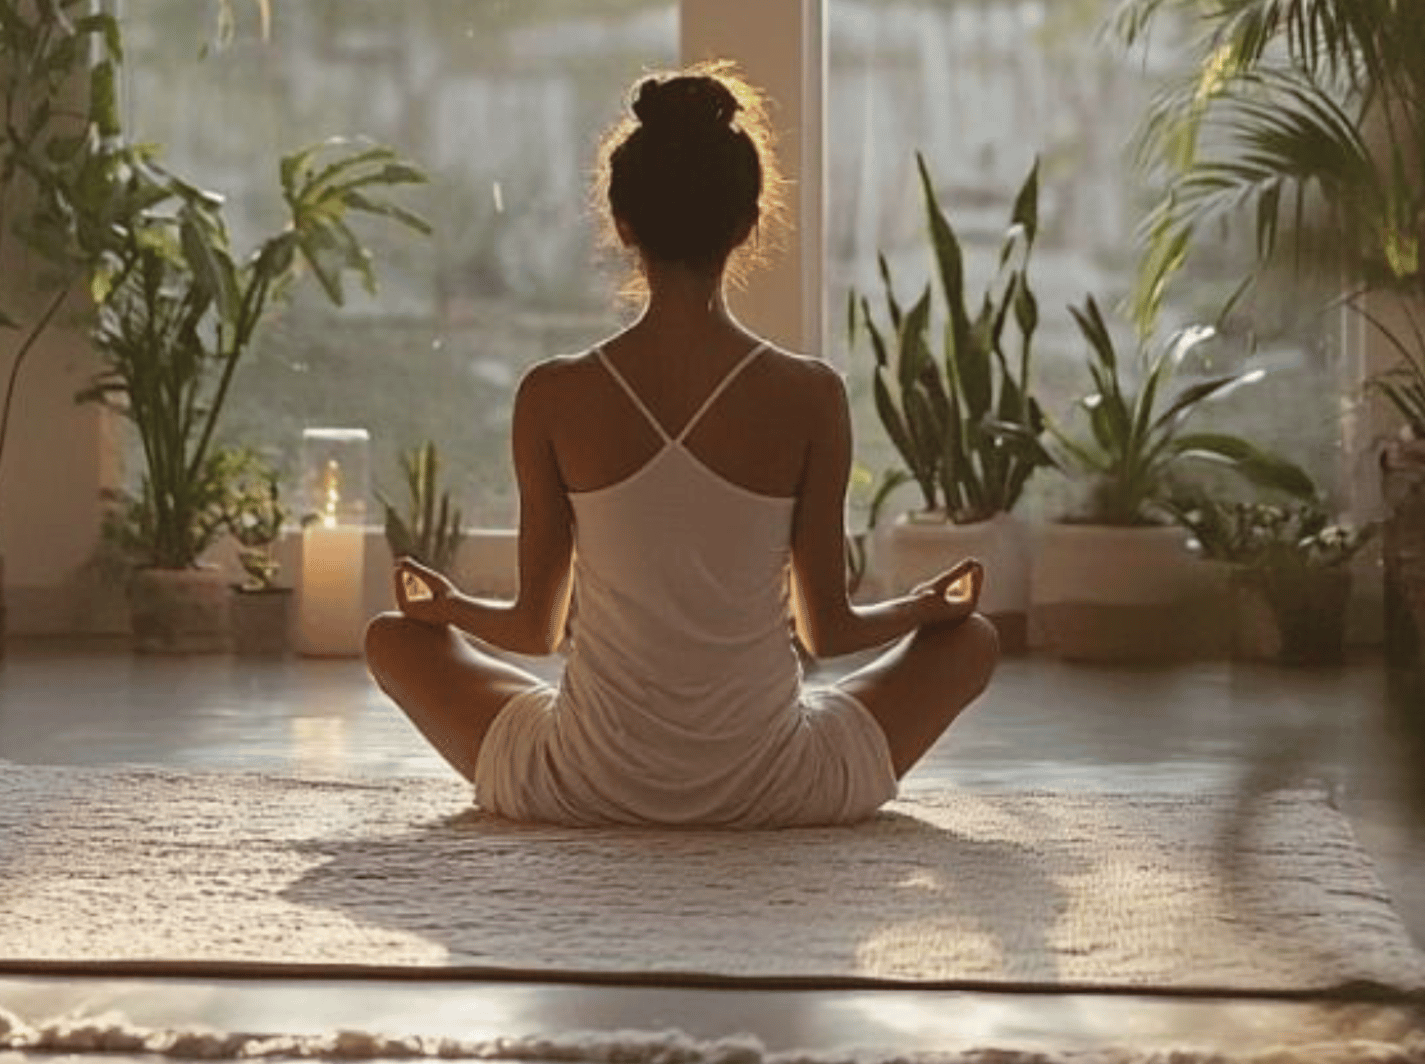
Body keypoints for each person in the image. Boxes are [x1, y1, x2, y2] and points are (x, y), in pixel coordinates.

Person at [363, 63, 998, 826]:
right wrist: (925, 607)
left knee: (393, 640)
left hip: (586, 782)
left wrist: (450, 607)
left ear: (622, 223)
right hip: (773, 785)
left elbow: (533, 629)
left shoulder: (552, 395)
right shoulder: (812, 396)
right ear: (746, 224)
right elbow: (827, 630)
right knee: (972, 642)